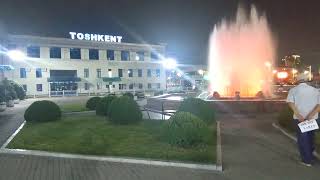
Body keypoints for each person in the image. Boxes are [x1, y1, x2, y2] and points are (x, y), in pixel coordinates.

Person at [286, 73, 320, 167]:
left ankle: (306, 160)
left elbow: (290, 102)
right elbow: (319, 105)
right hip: (312, 119)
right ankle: (311, 156)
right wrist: (311, 115)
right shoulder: (315, 90)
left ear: (298, 80)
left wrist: (298, 114)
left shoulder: (293, 90)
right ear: (306, 80)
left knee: (302, 139)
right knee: (310, 137)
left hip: (299, 119)